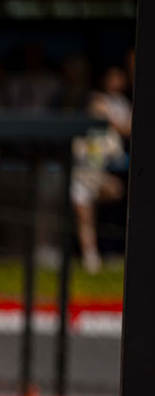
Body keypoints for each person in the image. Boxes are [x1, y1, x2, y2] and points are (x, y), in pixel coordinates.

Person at [71, 66, 132, 273]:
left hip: (105, 172)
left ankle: (114, 249)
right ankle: (91, 257)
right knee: (84, 212)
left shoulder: (124, 105)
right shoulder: (96, 100)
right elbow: (102, 113)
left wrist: (116, 123)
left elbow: (128, 129)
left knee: (117, 194)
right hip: (83, 170)